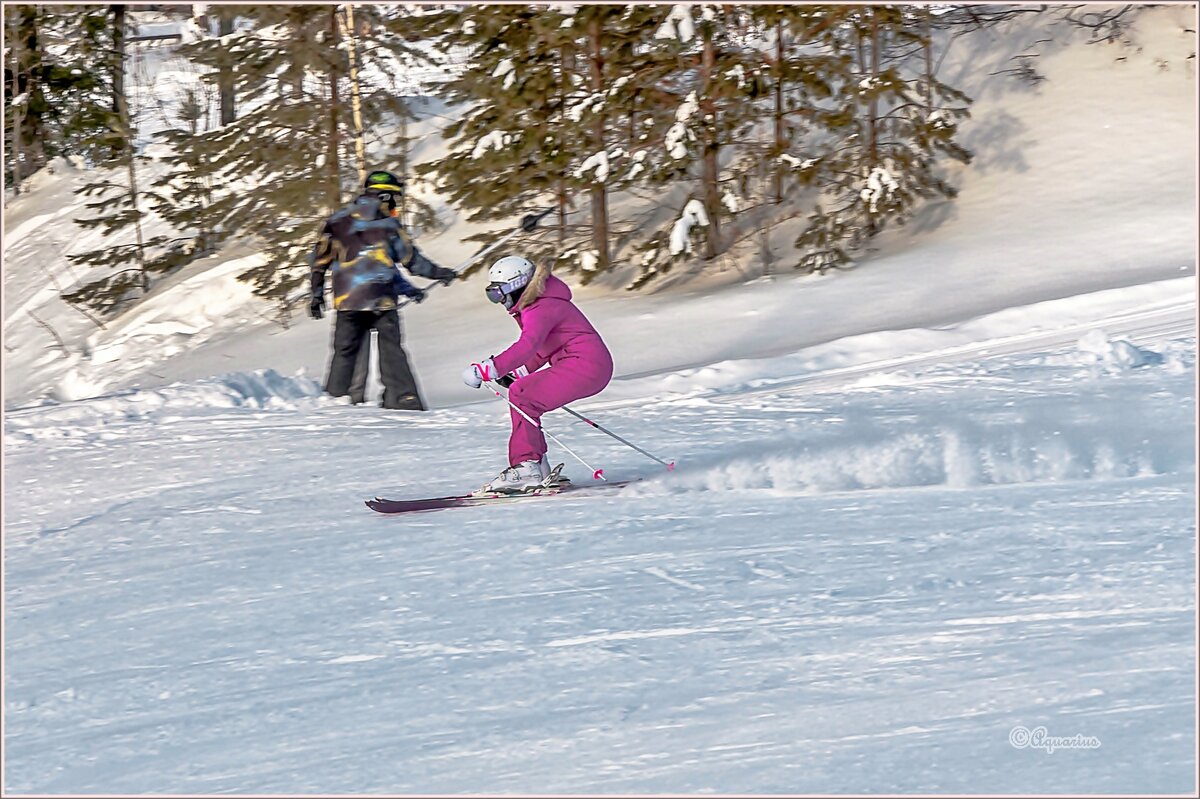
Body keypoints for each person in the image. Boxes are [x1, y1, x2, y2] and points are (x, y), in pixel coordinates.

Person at [461, 255, 614, 492]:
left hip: (585, 364)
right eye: (492, 295)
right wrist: (516, 372)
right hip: (587, 364)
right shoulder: (542, 303)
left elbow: (528, 345)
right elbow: (542, 349)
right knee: (522, 393)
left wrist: (489, 368)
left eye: (498, 293)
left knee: (523, 395)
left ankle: (527, 467)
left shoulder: (540, 306)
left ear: (515, 285)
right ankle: (536, 466)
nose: (499, 301)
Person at [309, 169, 457, 411]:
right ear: (386, 197)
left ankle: (336, 400)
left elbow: (319, 262)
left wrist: (316, 295)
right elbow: (412, 261)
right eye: (395, 199)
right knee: (391, 350)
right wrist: (440, 273)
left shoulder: (335, 223)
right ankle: (403, 400)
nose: (395, 206)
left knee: (344, 353)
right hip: (382, 301)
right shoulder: (389, 225)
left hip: (348, 301)